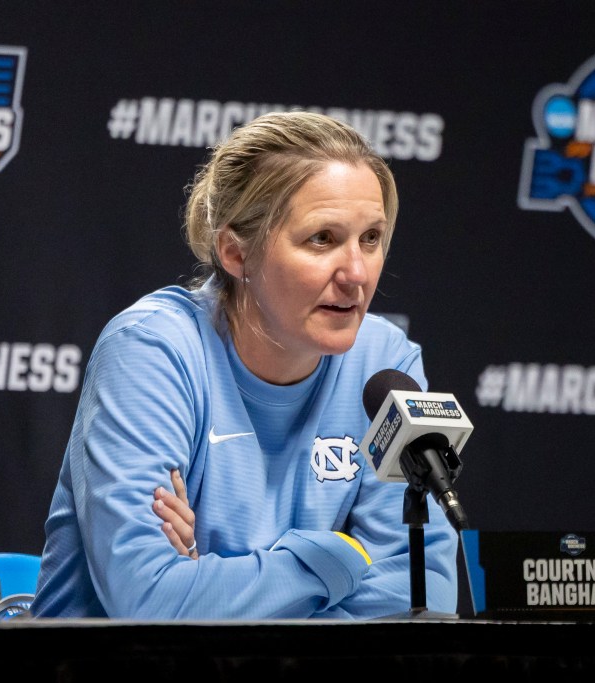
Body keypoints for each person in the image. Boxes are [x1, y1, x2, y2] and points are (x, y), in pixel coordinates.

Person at [30, 110, 458, 620]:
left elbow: (423, 595)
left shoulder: (385, 362)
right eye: (322, 239)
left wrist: (207, 581)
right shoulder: (151, 351)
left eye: (370, 238)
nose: (357, 274)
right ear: (235, 253)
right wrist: (342, 558)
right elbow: (148, 600)